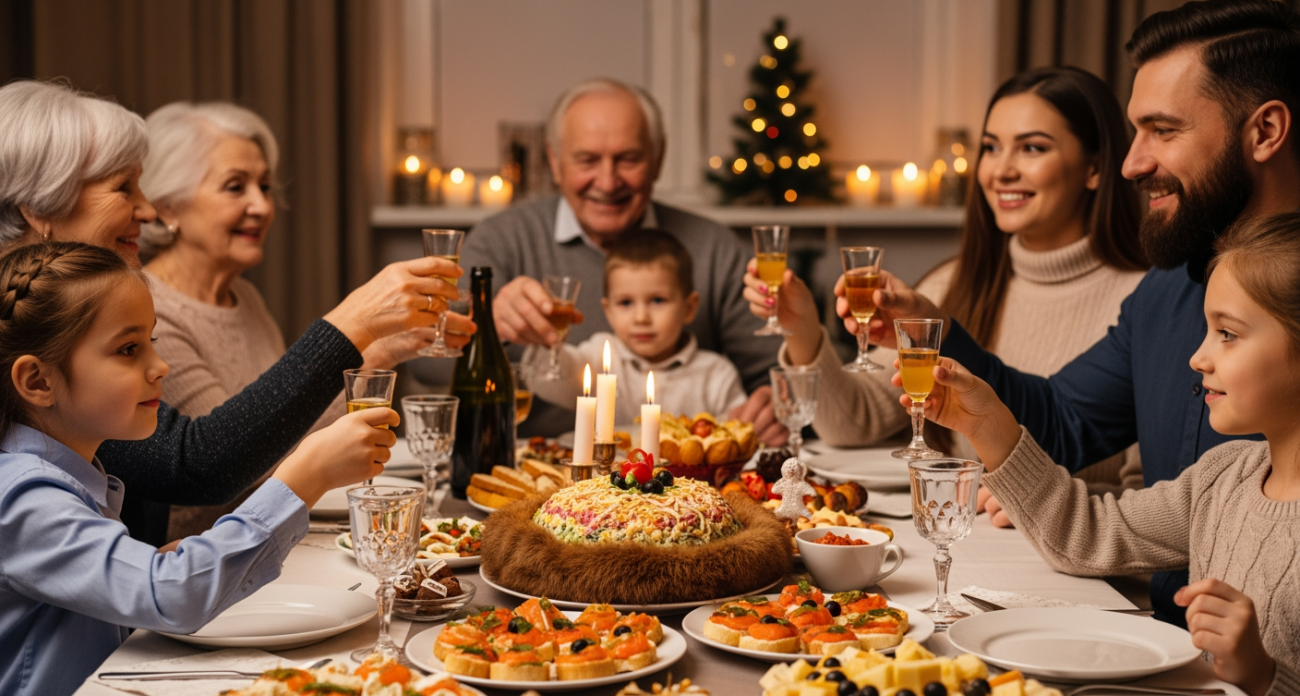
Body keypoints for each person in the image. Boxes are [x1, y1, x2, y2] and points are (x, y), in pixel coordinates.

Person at [853, 0, 1300, 625]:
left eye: (1163, 131)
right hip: (1166, 649)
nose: (1132, 163)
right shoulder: (1168, 286)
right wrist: (942, 337)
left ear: (1265, 132)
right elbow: (1063, 422)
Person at [0, 79, 469, 545]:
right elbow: (200, 463)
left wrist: (372, 349)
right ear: (40, 208)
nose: (146, 208)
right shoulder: (57, 334)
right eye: (124, 188)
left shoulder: (236, 299)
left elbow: (262, 436)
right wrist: (352, 323)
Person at [914, 212, 1300, 696]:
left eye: (1228, 333)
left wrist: (1264, 675)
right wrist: (987, 424)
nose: (1198, 358)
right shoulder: (1224, 475)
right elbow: (1087, 534)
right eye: (1207, 330)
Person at [0, 241, 397, 696]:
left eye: (151, 342)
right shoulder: (22, 498)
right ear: (37, 380)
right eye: (129, 350)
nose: (160, 366)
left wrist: (151, 565)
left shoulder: (69, 479)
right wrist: (303, 479)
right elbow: (169, 594)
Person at [745, 67, 1147, 503]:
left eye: (1032, 148)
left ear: (1094, 168)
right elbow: (854, 423)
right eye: (991, 148)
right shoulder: (952, 283)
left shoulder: (1142, 302)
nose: (1001, 170)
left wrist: (1047, 498)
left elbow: (1151, 498)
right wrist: (802, 328)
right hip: (953, 539)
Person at [137, 101, 447, 539]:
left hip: (269, 539)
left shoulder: (244, 297)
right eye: (234, 187)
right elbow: (230, 465)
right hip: (205, 556)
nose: (262, 206)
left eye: (264, 186)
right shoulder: (149, 311)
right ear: (167, 207)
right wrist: (354, 322)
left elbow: (282, 435)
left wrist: (381, 351)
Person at [460, 77, 785, 444]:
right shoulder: (499, 240)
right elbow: (427, 361)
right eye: (586, 160)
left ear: (658, 159)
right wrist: (487, 326)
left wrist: (776, 402)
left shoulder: (715, 248)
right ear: (554, 161)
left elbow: (782, 369)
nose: (608, 180)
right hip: (537, 471)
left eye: (628, 159)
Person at [529, 229, 746, 422]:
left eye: (658, 300)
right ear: (609, 312)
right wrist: (547, 339)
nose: (641, 318)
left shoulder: (716, 375)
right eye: (625, 303)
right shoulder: (599, 356)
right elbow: (549, 381)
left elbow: (737, 435)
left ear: (689, 308)